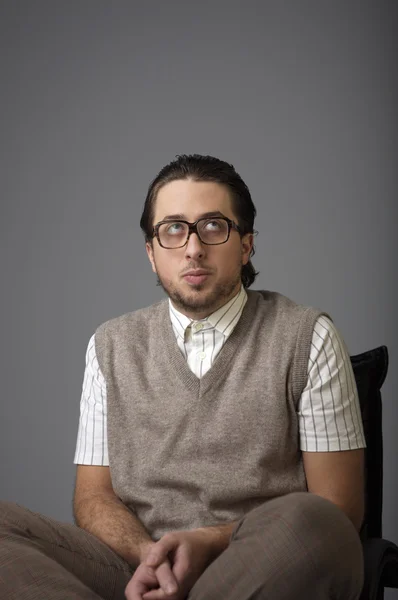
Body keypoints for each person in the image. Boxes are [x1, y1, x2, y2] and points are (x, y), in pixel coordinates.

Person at [0, 154, 366, 600]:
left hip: (254, 568)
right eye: (173, 229)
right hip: (134, 569)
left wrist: (208, 542)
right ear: (152, 253)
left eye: (213, 226)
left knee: (315, 522)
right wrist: (152, 557)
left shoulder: (307, 337)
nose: (193, 247)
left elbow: (340, 512)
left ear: (246, 245)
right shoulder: (110, 345)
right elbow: (93, 498)